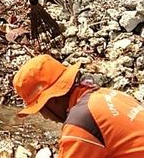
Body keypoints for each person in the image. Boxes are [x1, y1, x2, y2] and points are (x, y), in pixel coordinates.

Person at [13, 54, 144, 157]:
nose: (45, 117)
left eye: (40, 109)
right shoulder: (108, 94)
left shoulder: (80, 124)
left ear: (52, 100)